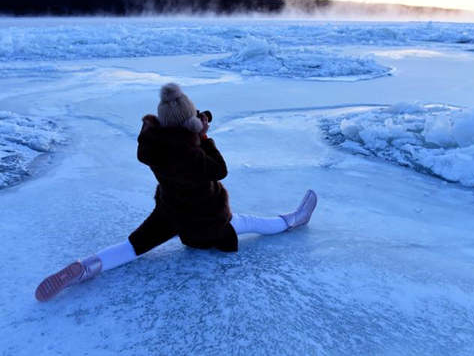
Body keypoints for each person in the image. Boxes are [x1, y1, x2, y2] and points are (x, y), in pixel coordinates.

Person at [35, 83, 317, 302]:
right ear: (190, 124)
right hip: (206, 221)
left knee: (133, 246)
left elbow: (177, 140)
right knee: (249, 222)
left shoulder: (153, 146)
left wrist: (192, 129)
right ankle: (291, 220)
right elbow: (219, 170)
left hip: (169, 214)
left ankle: (86, 267)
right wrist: (204, 137)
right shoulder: (192, 153)